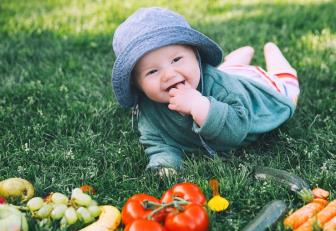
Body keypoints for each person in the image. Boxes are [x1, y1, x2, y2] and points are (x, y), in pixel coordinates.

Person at [111, 7, 300, 174]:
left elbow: (236, 130)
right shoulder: (149, 108)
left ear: (196, 56)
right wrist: (165, 165)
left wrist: (198, 105)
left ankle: (272, 53)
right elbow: (158, 141)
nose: (169, 75)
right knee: (227, 71)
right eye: (152, 71)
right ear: (137, 85)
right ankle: (238, 58)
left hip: (252, 87)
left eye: (176, 60)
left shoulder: (223, 87)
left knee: (287, 89)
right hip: (225, 74)